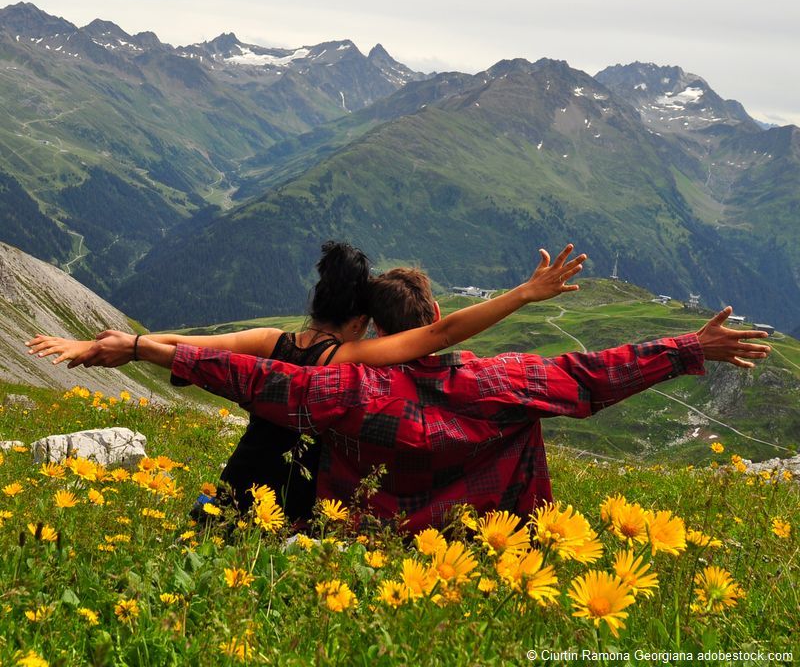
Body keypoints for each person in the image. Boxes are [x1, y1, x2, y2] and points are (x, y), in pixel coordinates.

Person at [49, 266, 771, 533]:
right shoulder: (498, 384)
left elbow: (255, 377)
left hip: (356, 534)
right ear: (430, 324)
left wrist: (141, 347)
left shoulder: (344, 388)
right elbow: (590, 376)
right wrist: (686, 348)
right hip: (490, 541)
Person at [27, 241, 587, 520]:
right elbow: (441, 337)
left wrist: (109, 345)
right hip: (301, 502)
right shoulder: (354, 360)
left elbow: (184, 349)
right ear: (359, 318)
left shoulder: (272, 341)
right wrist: (524, 294)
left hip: (237, 479)